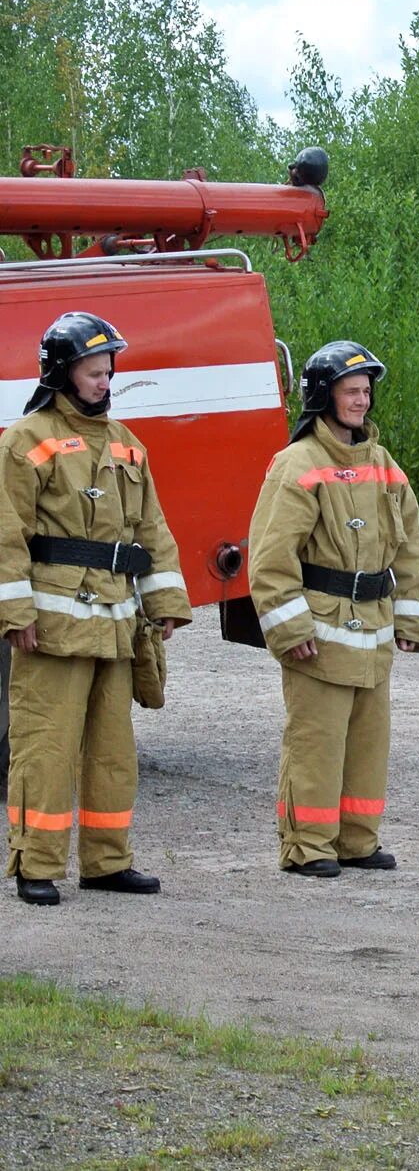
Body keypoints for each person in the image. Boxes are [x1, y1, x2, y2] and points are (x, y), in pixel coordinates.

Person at [1, 312, 191, 905]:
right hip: (52, 628)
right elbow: (6, 535)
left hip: (115, 625)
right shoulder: (25, 441)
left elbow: (152, 530)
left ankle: (108, 862)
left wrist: (164, 601)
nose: (105, 381)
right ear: (62, 371)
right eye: (93, 371)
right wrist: (16, 615)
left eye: (108, 371)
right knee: (45, 748)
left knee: (113, 752)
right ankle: (36, 863)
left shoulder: (129, 446)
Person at [248, 341, 419, 877]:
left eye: (366, 391)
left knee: (368, 744)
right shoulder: (297, 464)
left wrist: (411, 620)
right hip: (319, 630)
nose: (361, 400)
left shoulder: (382, 464)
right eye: (351, 391)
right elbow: (271, 557)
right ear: (323, 397)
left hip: (372, 630)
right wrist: (288, 629)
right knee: (317, 742)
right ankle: (307, 845)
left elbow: (410, 546)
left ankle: (356, 841)